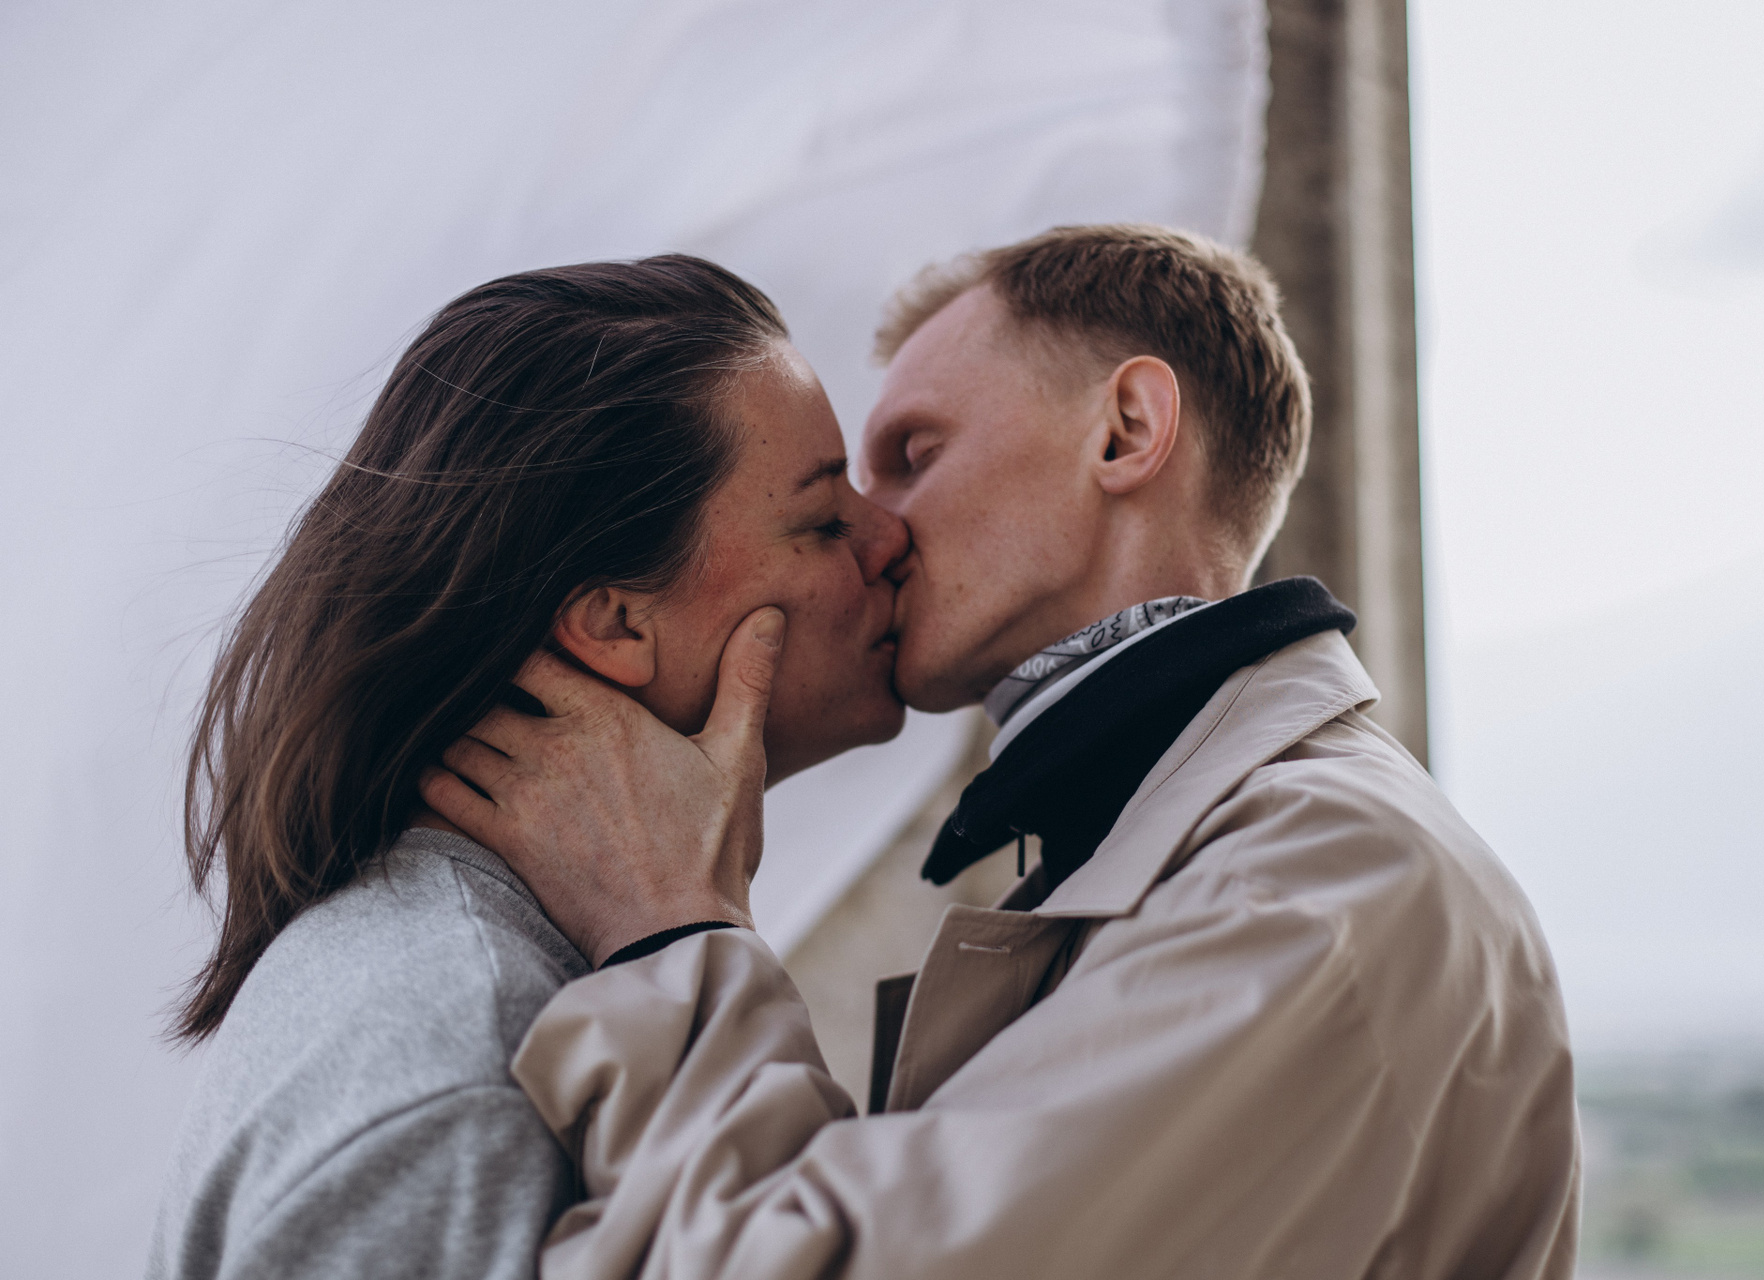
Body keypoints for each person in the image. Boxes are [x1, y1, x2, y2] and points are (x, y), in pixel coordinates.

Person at [426, 226, 1583, 1279]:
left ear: (1127, 430)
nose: (877, 528)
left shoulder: (1313, 878)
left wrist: (672, 933)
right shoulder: (1194, 844)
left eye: (914, 452)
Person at [148, 256, 912, 1279]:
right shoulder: (457, 1050)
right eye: (822, 520)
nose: (890, 534)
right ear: (615, 622)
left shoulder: (478, 971)